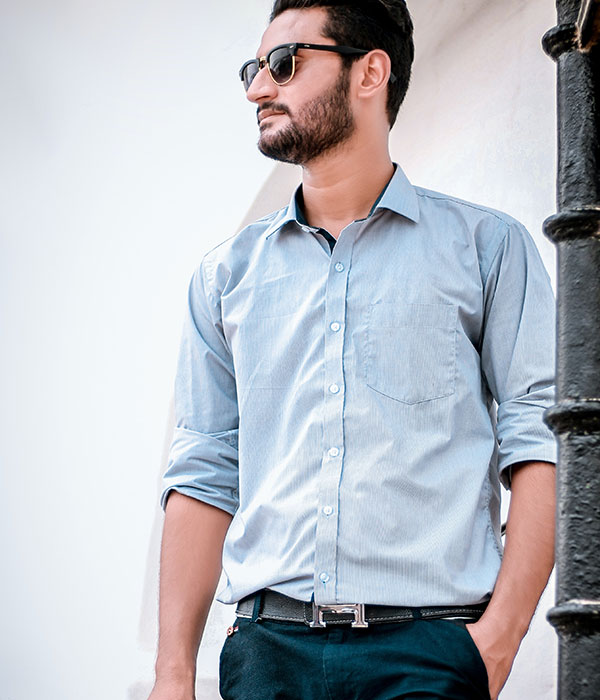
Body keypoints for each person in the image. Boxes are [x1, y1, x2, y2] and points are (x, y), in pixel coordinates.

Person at [149, 1, 557, 699]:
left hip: (431, 652)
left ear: (369, 72)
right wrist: (173, 673)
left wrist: (498, 639)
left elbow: (542, 441)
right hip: (267, 653)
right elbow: (204, 469)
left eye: (284, 64)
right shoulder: (225, 278)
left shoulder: (487, 249)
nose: (257, 89)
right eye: (254, 68)